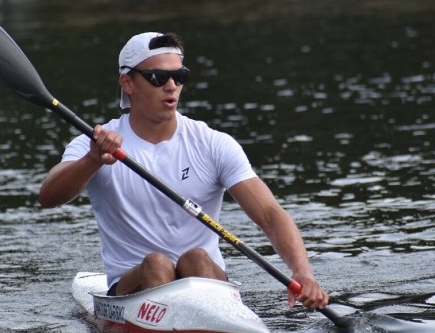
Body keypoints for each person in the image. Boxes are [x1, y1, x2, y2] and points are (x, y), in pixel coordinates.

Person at [39, 32, 328, 310]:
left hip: (205, 280)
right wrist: (93, 159)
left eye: (180, 77)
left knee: (196, 259)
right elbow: (49, 196)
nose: (171, 86)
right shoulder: (96, 143)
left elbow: (270, 215)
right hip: (133, 287)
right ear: (127, 83)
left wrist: (303, 273)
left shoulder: (213, 144)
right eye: (158, 78)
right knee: (157, 263)